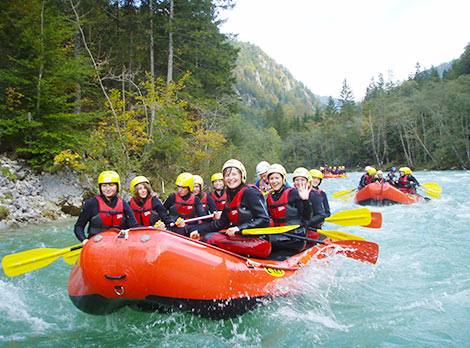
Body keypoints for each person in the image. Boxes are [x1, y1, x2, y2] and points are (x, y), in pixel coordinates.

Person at [188, 159, 271, 258]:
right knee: (203, 237)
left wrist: (239, 228)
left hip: (259, 241)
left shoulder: (250, 192)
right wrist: (199, 230)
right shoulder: (230, 195)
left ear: (241, 175)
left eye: (234, 174)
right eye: (227, 175)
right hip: (241, 239)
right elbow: (221, 223)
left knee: (210, 239)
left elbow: (265, 220)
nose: (230, 178)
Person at [74, 170, 138, 243]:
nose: (108, 189)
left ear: (117, 187)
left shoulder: (123, 204)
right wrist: (84, 240)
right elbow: (79, 226)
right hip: (96, 244)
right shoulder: (91, 204)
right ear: (100, 188)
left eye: (111, 185)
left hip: (118, 243)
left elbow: (134, 226)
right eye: (104, 186)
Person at [266, 164, 311, 252]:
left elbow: (307, 217)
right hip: (279, 234)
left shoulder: (293, 193)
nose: (274, 181)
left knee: (267, 241)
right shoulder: (269, 197)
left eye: (277, 178)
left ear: (283, 179)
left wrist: (305, 201)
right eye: (271, 178)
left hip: (296, 236)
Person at [293, 167, 327, 242]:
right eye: (297, 180)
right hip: (297, 230)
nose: (299, 182)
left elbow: (322, 215)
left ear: (307, 181)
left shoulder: (314, 195)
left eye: (302, 180)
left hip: (312, 229)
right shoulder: (292, 194)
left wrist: (306, 223)